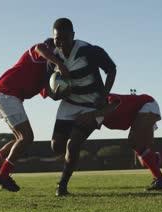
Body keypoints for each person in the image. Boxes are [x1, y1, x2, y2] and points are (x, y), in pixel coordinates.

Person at [0, 39, 69, 192]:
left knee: (20, 139)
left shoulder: (46, 73)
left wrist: (65, 89)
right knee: (27, 137)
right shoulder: (41, 52)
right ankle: (3, 174)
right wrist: (60, 63)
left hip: (4, 95)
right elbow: (40, 48)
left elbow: (52, 93)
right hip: (7, 94)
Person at [49, 18, 117, 196]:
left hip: (91, 105)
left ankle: (62, 185)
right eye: (57, 39)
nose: (61, 42)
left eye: (65, 38)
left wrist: (104, 96)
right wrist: (57, 94)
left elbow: (111, 69)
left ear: (73, 35)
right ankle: (74, 155)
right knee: (57, 146)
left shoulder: (89, 50)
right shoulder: (53, 57)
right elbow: (51, 91)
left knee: (72, 145)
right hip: (69, 104)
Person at [78, 93, 162, 191]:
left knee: (134, 143)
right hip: (140, 114)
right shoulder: (102, 119)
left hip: (147, 104)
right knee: (145, 158)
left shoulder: (108, 99)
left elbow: (114, 104)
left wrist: (95, 114)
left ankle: (161, 179)